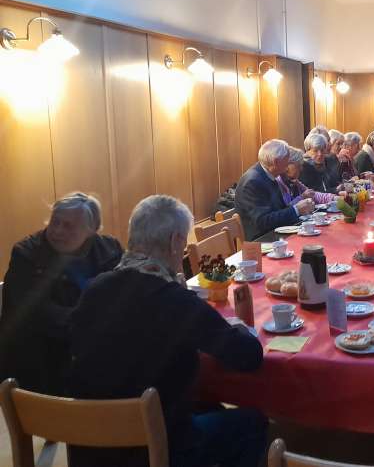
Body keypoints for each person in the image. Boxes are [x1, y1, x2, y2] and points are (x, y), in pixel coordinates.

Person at [68, 195, 266, 467]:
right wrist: (239, 327)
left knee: (207, 406)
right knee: (253, 423)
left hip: (91, 446)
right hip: (154, 448)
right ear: (175, 242)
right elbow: (248, 356)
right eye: (183, 244)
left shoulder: (94, 288)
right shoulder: (173, 299)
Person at [0, 193, 123, 395]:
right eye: (55, 222)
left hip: (93, 349)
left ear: (91, 230)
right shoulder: (27, 254)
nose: (57, 231)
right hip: (40, 358)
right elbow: (37, 312)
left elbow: (122, 294)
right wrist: (89, 324)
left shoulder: (110, 250)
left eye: (68, 226)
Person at [236, 139, 314, 240]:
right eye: (286, 161)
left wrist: (299, 207)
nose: (287, 166)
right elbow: (263, 222)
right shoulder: (253, 182)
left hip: (275, 233)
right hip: (260, 239)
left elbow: (280, 209)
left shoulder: (269, 175)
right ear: (276, 162)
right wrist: (296, 210)